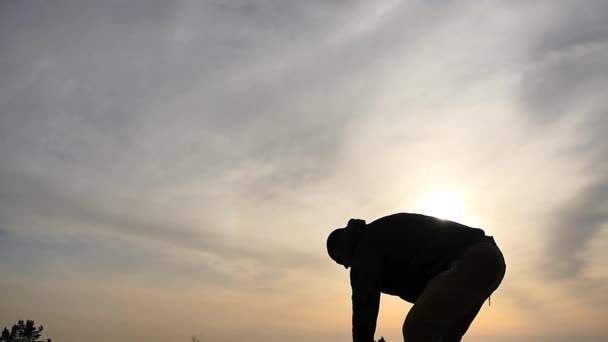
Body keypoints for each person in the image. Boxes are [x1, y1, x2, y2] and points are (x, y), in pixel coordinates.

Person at [326, 213, 506, 342]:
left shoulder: (364, 248)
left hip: (474, 259)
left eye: (340, 259)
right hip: (490, 261)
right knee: (444, 337)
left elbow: (364, 303)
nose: (345, 266)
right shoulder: (377, 234)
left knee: (417, 328)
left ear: (344, 245)